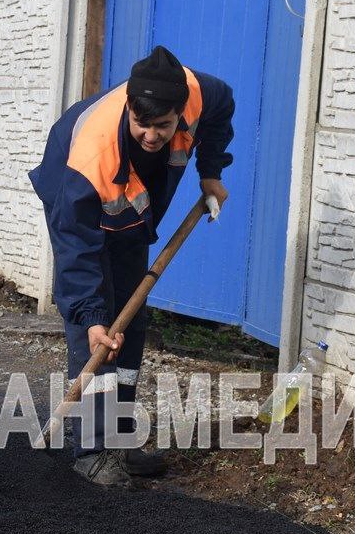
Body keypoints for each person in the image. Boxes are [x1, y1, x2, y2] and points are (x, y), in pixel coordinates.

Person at [29, 45, 234, 487]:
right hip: (78, 199)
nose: (152, 135)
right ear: (128, 108)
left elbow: (222, 108)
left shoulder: (200, 94)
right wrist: (89, 316)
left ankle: (119, 439)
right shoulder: (89, 161)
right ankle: (93, 450)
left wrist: (210, 170)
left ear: (180, 111)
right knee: (100, 326)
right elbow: (75, 252)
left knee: (131, 321)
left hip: (131, 209)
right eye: (143, 124)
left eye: (164, 126)